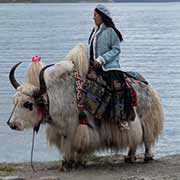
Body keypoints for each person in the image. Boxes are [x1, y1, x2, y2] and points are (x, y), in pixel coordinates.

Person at [87, 4, 135, 129]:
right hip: (94, 66)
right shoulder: (95, 31)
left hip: (110, 67)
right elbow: (91, 49)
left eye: (95, 15)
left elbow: (116, 50)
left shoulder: (111, 31)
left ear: (102, 16)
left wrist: (101, 60)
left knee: (117, 89)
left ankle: (121, 119)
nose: (93, 18)